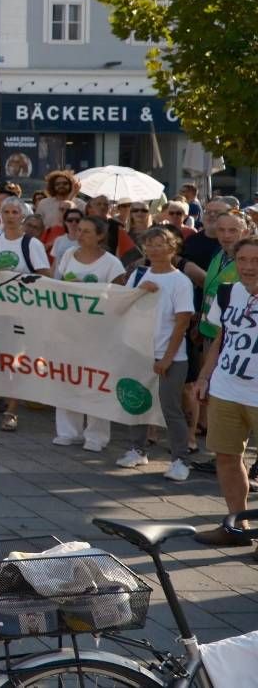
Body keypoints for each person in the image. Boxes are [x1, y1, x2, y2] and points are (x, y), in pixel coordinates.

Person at [191, 236, 258, 548]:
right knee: (227, 457)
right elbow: (221, 337)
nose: (248, 267)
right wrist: (204, 377)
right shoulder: (228, 292)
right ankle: (237, 526)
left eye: (255, 261)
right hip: (227, 389)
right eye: (242, 260)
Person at [117, 226, 195, 481]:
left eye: (160, 244)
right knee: (136, 401)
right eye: (149, 245)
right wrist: (140, 290)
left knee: (170, 407)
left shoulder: (180, 281)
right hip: (138, 351)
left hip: (170, 355)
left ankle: (180, 459)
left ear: (172, 248)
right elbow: (122, 305)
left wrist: (167, 358)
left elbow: (182, 323)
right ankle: (137, 449)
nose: (154, 249)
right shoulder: (139, 273)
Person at [0, 196, 51, 432]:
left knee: (14, 361)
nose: (11, 216)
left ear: (23, 216)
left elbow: (45, 275)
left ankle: (11, 411)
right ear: (1, 215)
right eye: (6, 212)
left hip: (19, 314)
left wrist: (23, 283)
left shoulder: (31, 245)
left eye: (15, 212)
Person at [51, 216, 127, 452]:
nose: (80, 233)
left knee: (96, 380)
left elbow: (120, 296)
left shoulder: (112, 264)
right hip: (69, 329)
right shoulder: (67, 256)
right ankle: (68, 431)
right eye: (79, 229)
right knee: (66, 377)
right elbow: (57, 286)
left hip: (98, 332)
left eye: (86, 231)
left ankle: (96, 436)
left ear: (100, 236)